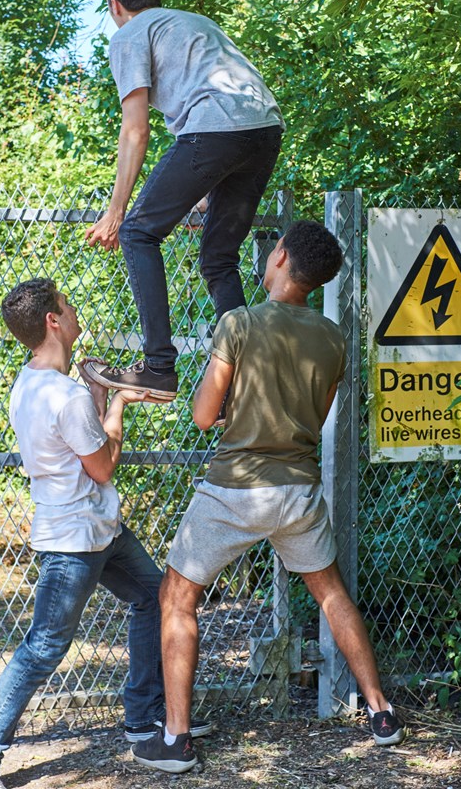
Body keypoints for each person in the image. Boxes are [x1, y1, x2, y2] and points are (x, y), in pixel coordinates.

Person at [131, 221, 405, 774]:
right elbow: (315, 419)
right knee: (330, 593)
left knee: (177, 595)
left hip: (238, 487)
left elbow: (204, 415)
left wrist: (234, 406)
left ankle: (176, 738)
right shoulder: (332, 337)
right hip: (299, 490)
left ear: (279, 257)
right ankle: (382, 712)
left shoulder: (239, 323)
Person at [0, 279, 211, 789]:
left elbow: (79, 442)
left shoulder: (30, 383)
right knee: (43, 648)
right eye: (67, 307)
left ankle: (143, 720)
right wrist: (117, 404)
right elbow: (103, 465)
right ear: (53, 321)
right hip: (73, 542)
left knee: (152, 596)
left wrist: (96, 392)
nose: (75, 313)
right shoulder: (65, 396)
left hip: (97, 530)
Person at [84, 0, 284, 402]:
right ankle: (245, 379)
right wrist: (201, 195)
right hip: (265, 130)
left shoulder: (129, 35)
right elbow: (229, 111)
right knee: (218, 257)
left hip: (215, 133)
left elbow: (136, 129)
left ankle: (158, 367)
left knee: (139, 232)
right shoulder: (194, 23)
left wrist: (116, 213)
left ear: (115, 5)